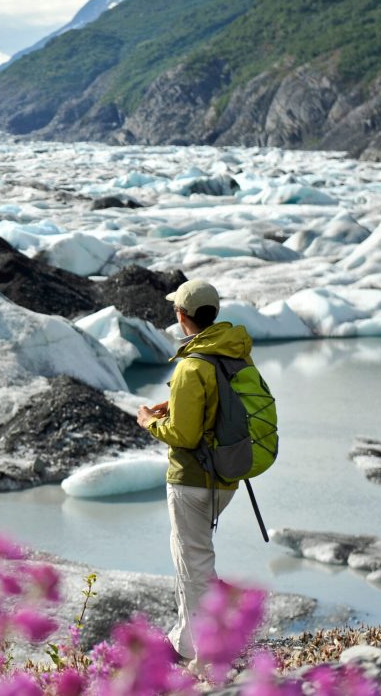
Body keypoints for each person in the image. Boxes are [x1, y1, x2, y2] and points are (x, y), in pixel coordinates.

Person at [135, 279, 254, 666]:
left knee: (194, 564)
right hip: (226, 476)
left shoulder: (191, 365)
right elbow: (224, 405)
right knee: (191, 558)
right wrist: (175, 403)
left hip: (192, 480)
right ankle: (186, 644)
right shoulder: (233, 354)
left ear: (181, 315)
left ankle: (207, 656)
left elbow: (184, 436)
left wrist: (149, 422)